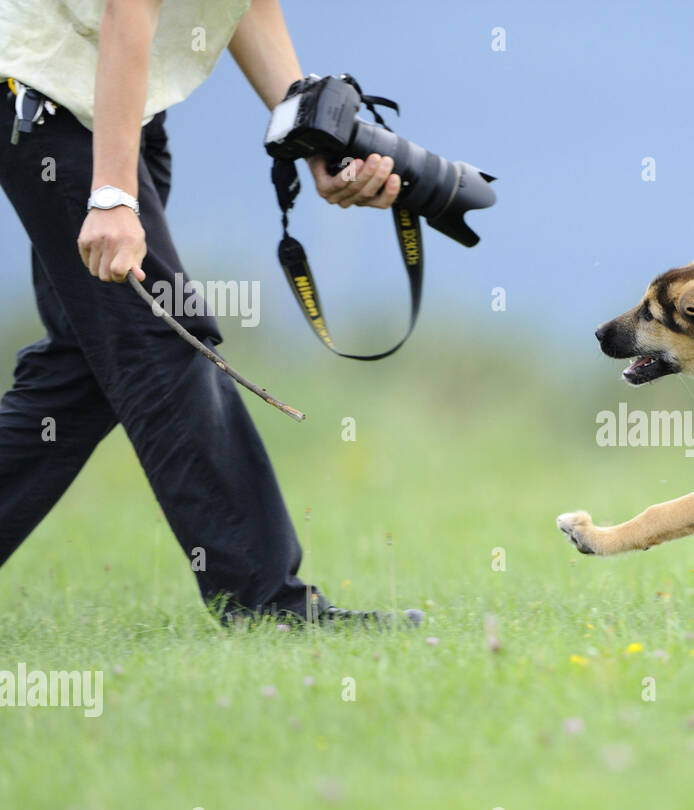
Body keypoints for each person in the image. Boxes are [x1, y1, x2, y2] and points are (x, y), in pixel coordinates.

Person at [0, 0, 420, 626]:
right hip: (59, 101)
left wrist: (315, 136)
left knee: (86, 369)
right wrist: (112, 193)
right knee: (162, 340)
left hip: (119, 106)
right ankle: (268, 607)